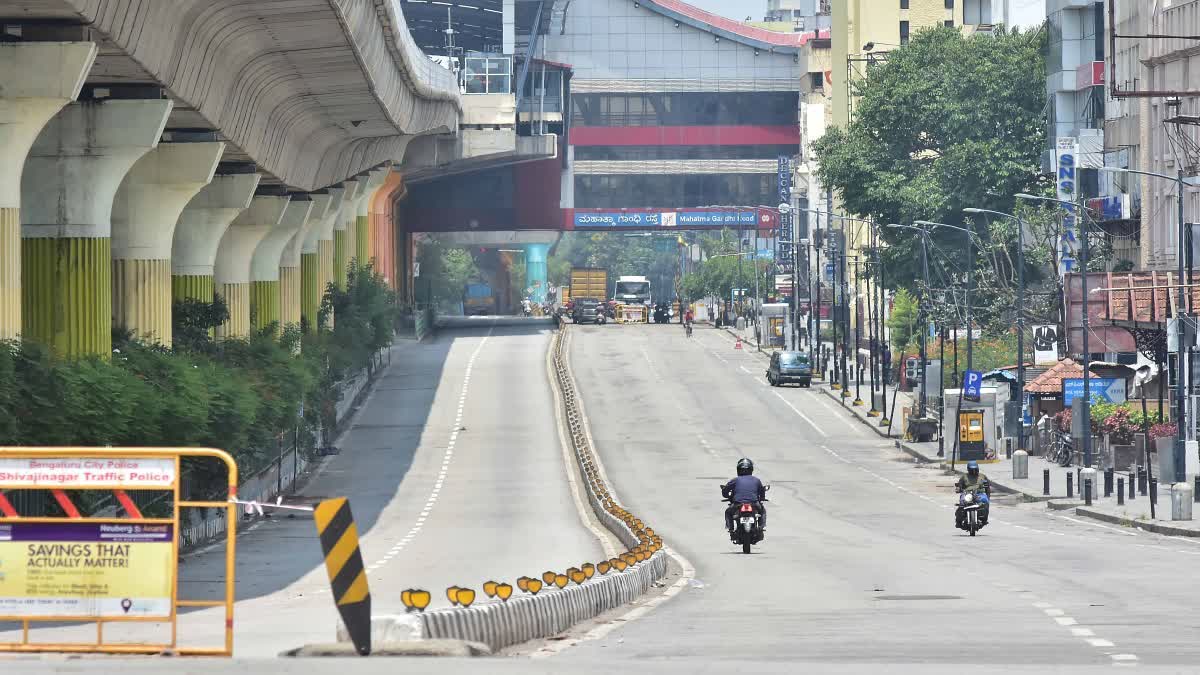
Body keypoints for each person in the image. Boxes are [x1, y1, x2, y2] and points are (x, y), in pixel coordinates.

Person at [722, 458, 766, 541]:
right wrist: (762, 498)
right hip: (754, 503)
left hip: (737, 504)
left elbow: (725, 491)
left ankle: (731, 529)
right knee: (762, 511)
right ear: (751, 470)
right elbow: (762, 492)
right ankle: (760, 527)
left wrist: (727, 496)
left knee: (728, 512)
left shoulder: (735, 480)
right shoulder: (756, 480)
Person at [955, 460, 991, 528]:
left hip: (979, 494)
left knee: (985, 502)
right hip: (967, 494)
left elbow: (987, 487)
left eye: (975, 469)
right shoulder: (964, 477)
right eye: (972, 469)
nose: (973, 471)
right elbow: (960, 485)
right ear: (968, 469)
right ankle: (958, 521)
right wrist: (959, 489)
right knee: (961, 504)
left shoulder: (982, 476)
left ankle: (984, 519)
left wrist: (988, 497)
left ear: (977, 468)